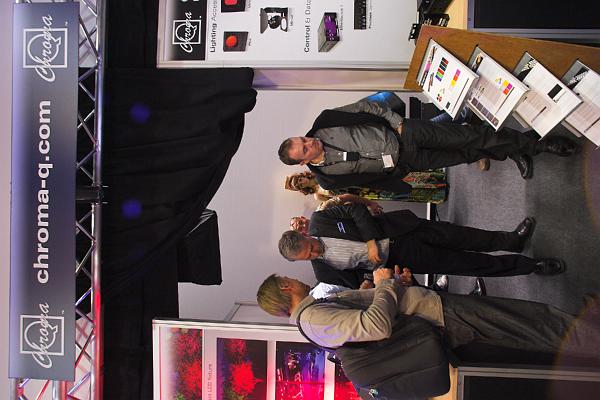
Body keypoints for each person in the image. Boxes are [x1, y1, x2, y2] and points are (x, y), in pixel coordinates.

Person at [256, 269, 600, 363]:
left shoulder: (313, 318)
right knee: (528, 322)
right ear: (285, 287)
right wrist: (384, 284)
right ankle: (590, 336)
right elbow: (376, 325)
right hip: (441, 317)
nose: (294, 278)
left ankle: (585, 328)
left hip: (435, 314)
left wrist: (394, 285)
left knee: (524, 323)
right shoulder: (314, 320)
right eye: (288, 278)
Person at [277, 99, 578, 191]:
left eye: (303, 138)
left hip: (406, 134)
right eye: (305, 148)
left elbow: (366, 107)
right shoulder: (327, 179)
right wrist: (398, 174)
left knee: (471, 137)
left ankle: (538, 145)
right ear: (303, 162)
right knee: (466, 154)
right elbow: (364, 181)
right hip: (407, 162)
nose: (309, 141)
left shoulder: (325, 120)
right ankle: (515, 149)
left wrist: (396, 121)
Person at [278, 203, 564, 289]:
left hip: (402, 230)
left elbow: (355, 210)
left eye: (311, 246)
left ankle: (513, 240)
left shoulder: (321, 220)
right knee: (468, 264)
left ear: (306, 235)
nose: (315, 252)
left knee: (465, 236)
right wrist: (374, 280)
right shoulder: (324, 273)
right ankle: (530, 266)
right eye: (309, 256)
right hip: (403, 259)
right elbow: (357, 284)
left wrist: (370, 241)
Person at [284, 170, 448, 204]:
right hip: (365, 194)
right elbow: (339, 200)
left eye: (298, 179)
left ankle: (437, 179)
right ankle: (437, 194)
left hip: (361, 179)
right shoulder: (317, 195)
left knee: (400, 179)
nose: (300, 182)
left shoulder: (319, 172)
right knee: (399, 193)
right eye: (298, 185)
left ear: (301, 176)